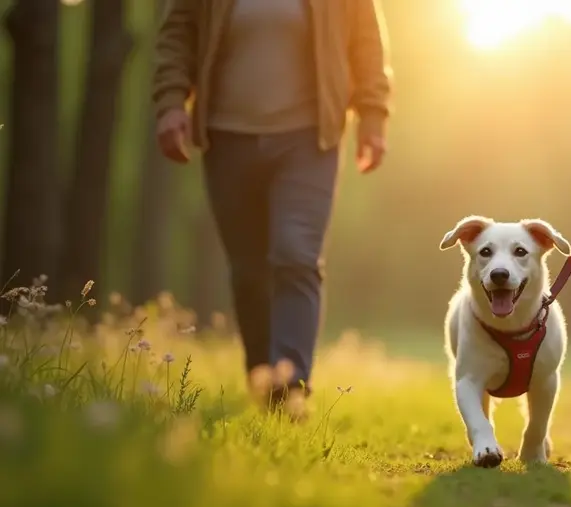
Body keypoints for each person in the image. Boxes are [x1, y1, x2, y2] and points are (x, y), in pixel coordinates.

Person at [151, 0, 392, 417]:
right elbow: (177, 35)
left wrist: (373, 113)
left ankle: (291, 381)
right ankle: (263, 376)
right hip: (227, 137)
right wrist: (171, 102)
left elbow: (366, 41)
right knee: (248, 269)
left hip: (309, 137)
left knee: (296, 253)